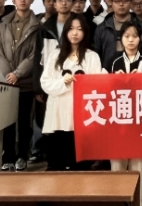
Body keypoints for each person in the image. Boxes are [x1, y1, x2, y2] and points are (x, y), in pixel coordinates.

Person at [104, 21, 142, 206]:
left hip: (140, 121)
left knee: (138, 168)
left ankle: (138, 203)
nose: (131, 40)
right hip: (117, 121)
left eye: (135, 36)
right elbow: (100, 87)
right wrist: (115, 80)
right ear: (121, 39)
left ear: (140, 38)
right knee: (117, 166)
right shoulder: (112, 60)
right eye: (127, 36)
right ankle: (118, 202)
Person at [41, 14, 102, 171]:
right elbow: (45, 82)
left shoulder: (92, 57)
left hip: (82, 117)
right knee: (57, 165)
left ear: (85, 32)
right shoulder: (55, 55)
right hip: (58, 116)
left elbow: (97, 86)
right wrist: (63, 82)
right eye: (71, 29)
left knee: (81, 167)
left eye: (79, 29)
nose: (75, 33)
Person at [0, 0, 41, 172]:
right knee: (7, 122)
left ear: (32, 0)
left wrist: (18, 74)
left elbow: (35, 55)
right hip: (6, 83)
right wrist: (8, 75)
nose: (22, 0)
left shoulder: (38, 25)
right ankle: (8, 157)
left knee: (24, 122)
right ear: (12, 1)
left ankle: (22, 156)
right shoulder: (3, 24)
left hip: (26, 82)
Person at [32, 0, 74, 153]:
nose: (64, 4)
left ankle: (71, 158)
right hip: (51, 80)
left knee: (71, 120)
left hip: (73, 79)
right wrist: (38, 87)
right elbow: (38, 59)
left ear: (73, 3)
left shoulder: (81, 25)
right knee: (51, 120)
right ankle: (52, 157)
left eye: (67, 0)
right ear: (54, 4)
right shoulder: (45, 28)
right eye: (60, 1)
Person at [94, 0, 142, 69]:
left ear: (130, 3)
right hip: (109, 70)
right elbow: (96, 53)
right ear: (111, 3)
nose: (121, 4)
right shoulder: (102, 28)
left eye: (125, 1)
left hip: (136, 71)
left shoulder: (141, 26)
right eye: (117, 1)